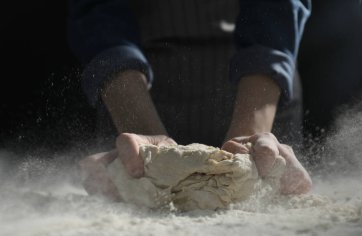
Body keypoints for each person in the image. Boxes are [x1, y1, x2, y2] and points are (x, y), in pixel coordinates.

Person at [67, 0, 312, 197]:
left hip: (260, 92)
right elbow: (100, 14)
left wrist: (249, 142)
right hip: (133, 96)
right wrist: (146, 151)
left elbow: (275, 12)